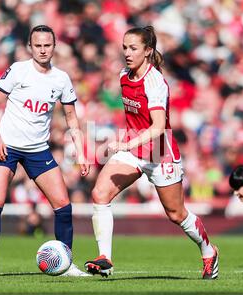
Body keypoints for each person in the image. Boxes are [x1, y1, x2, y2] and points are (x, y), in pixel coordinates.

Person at [83, 26, 219, 280]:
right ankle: (105, 259)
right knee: (100, 193)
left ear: (147, 51)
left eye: (133, 48)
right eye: (124, 47)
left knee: (176, 214)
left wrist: (125, 145)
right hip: (134, 150)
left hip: (159, 153)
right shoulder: (124, 74)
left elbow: (158, 127)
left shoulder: (155, 82)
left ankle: (208, 250)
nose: (127, 53)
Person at [0, 25, 90, 277]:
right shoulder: (17, 70)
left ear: (54, 46)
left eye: (47, 45)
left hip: (38, 150)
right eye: (38, 45)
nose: (43, 50)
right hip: (8, 147)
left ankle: (66, 263)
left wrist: (81, 152)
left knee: (63, 206)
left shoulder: (61, 79)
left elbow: (71, 118)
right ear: (30, 46)